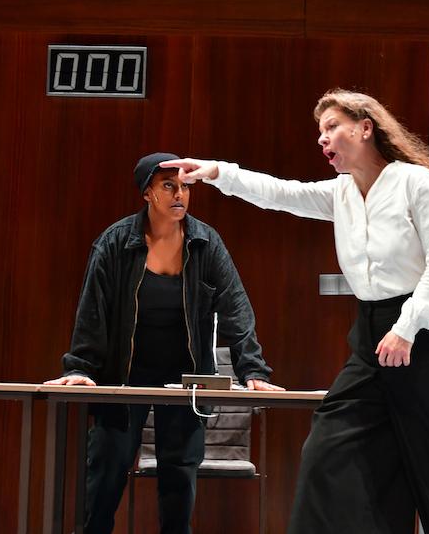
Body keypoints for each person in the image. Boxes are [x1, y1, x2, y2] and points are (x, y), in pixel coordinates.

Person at [162, 89, 429, 534]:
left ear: (365, 128)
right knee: (329, 449)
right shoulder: (341, 193)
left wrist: (407, 327)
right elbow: (280, 193)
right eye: (320, 131)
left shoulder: (414, 182)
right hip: (372, 338)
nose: (322, 138)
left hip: (427, 338)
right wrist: (220, 172)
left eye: (332, 127)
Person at [46, 152, 282, 534]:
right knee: (106, 471)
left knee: (180, 476)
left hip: (185, 377)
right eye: (169, 186)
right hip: (126, 374)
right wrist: (80, 367)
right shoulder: (114, 242)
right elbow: (93, 310)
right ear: (147, 193)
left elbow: (236, 307)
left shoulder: (206, 242)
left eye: (185, 187)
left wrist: (253, 370)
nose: (179, 195)